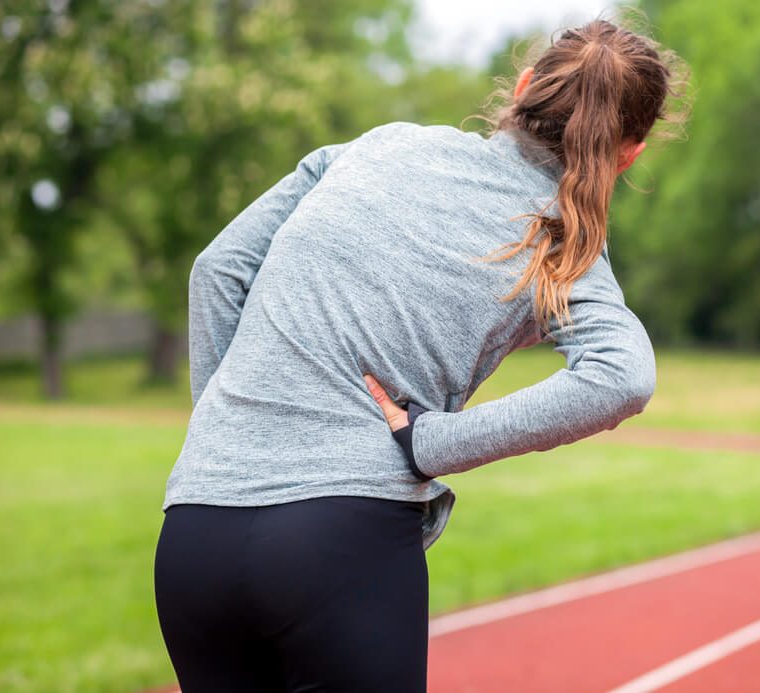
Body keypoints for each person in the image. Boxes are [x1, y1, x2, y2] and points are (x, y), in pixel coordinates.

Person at [153, 14, 688, 693]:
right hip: (339, 542)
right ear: (629, 152)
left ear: (523, 88)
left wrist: (225, 438)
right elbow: (624, 377)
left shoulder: (379, 145)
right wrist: (431, 442)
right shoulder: (559, 239)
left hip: (196, 534)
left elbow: (218, 268)